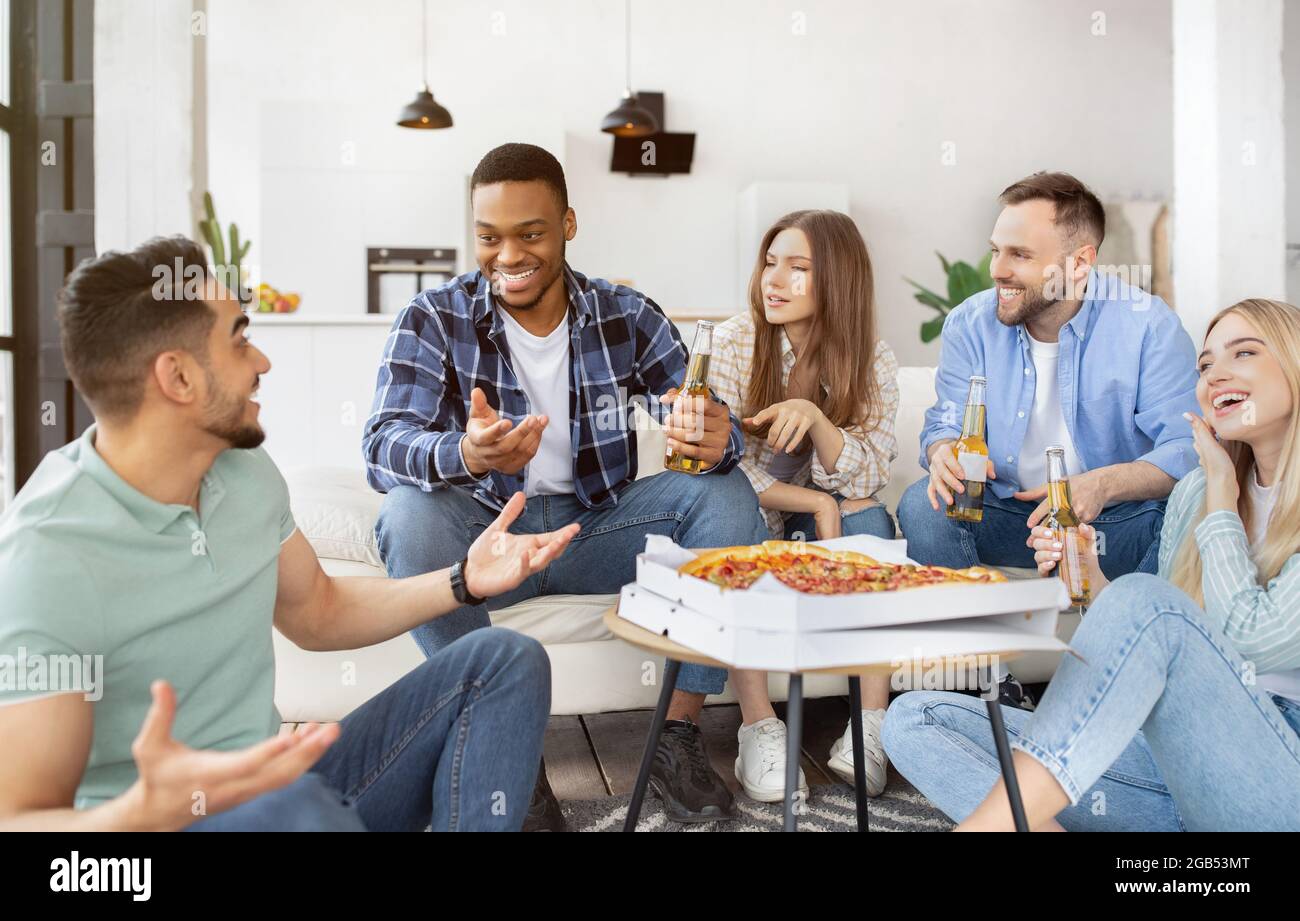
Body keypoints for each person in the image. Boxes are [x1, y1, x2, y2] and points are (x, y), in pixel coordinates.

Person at [0, 237, 575, 831]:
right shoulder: (49, 555)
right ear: (177, 376)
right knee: (297, 810)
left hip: (276, 790)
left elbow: (318, 610)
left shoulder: (243, 470)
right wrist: (141, 814)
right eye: (240, 340)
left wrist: (462, 581)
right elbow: (18, 821)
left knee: (504, 660)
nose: (262, 363)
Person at [363, 143, 770, 825]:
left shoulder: (626, 313)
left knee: (728, 498)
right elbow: (381, 446)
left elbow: (708, 423)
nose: (508, 255)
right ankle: (512, 758)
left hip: (594, 529)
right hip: (490, 537)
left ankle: (676, 735)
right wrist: (464, 453)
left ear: (568, 225)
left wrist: (711, 436)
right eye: (489, 237)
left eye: (530, 234)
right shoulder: (433, 317)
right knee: (407, 518)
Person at [883, 298, 1300, 831]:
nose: (1216, 374)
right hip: (1178, 767)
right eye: (1205, 364)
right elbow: (1153, 633)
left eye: (1243, 353)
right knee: (917, 718)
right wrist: (1091, 574)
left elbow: (1250, 637)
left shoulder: (1209, 488)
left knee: (1145, 600)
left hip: (1278, 773)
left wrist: (1221, 491)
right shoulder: (1197, 491)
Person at [897, 171, 1200, 709]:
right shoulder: (970, 324)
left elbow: (1185, 450)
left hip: (1114, 525)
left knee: (1189, 507)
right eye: (995, 251)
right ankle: (986, 681)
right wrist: (943, 452)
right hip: (1009, 518)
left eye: (1019, 254)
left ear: (1079, 263)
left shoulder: (1147, 325)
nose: (997, 270)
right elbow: (942, 422)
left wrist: (1101, 486)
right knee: (922, 507)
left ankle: (1126, 680)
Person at [707, 210, 899, 802]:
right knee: (726, 514)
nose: (774, 280)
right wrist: (813, 500)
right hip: (758, 512)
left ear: (837, 281)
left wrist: (815, 418)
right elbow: (721, 464)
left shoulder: (873, 359)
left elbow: (870, 469)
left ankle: (871, 727)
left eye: (798, 269)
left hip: (830, 520)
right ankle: (758, 726)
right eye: (770, 264)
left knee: (869, 517)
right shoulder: (736, 341)